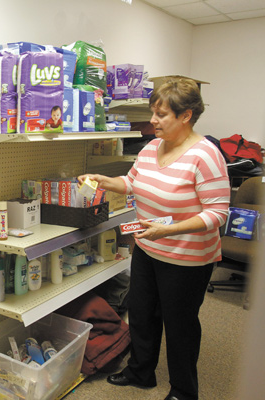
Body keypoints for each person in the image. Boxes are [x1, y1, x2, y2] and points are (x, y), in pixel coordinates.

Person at [78, 77, 230, 400]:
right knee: (142, 314)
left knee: (180, 326)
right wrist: (104, 181)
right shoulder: (150, 148)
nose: (153, 121)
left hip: (187, 258)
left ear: (186, 116)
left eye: (162, 115)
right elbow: (131, 183)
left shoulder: (206, 155)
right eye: (153, 112)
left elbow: (217, 214)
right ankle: (141, 371)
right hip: (148, 248)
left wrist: (169, 230)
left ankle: (183, 390)